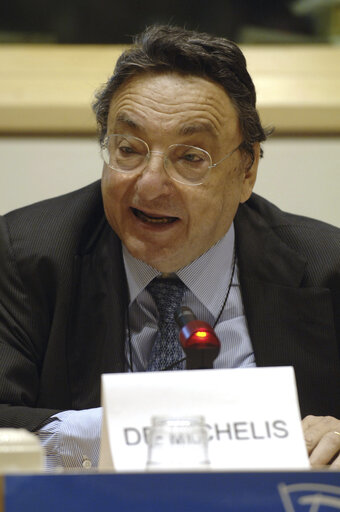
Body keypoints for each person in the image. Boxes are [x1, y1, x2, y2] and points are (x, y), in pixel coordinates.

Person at [0, 25, 339, 471]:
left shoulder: (326, 269)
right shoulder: (26, 256)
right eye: (128, 149)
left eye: (190, 158)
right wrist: (137, 435)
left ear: (247, 170)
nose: (151, 183)